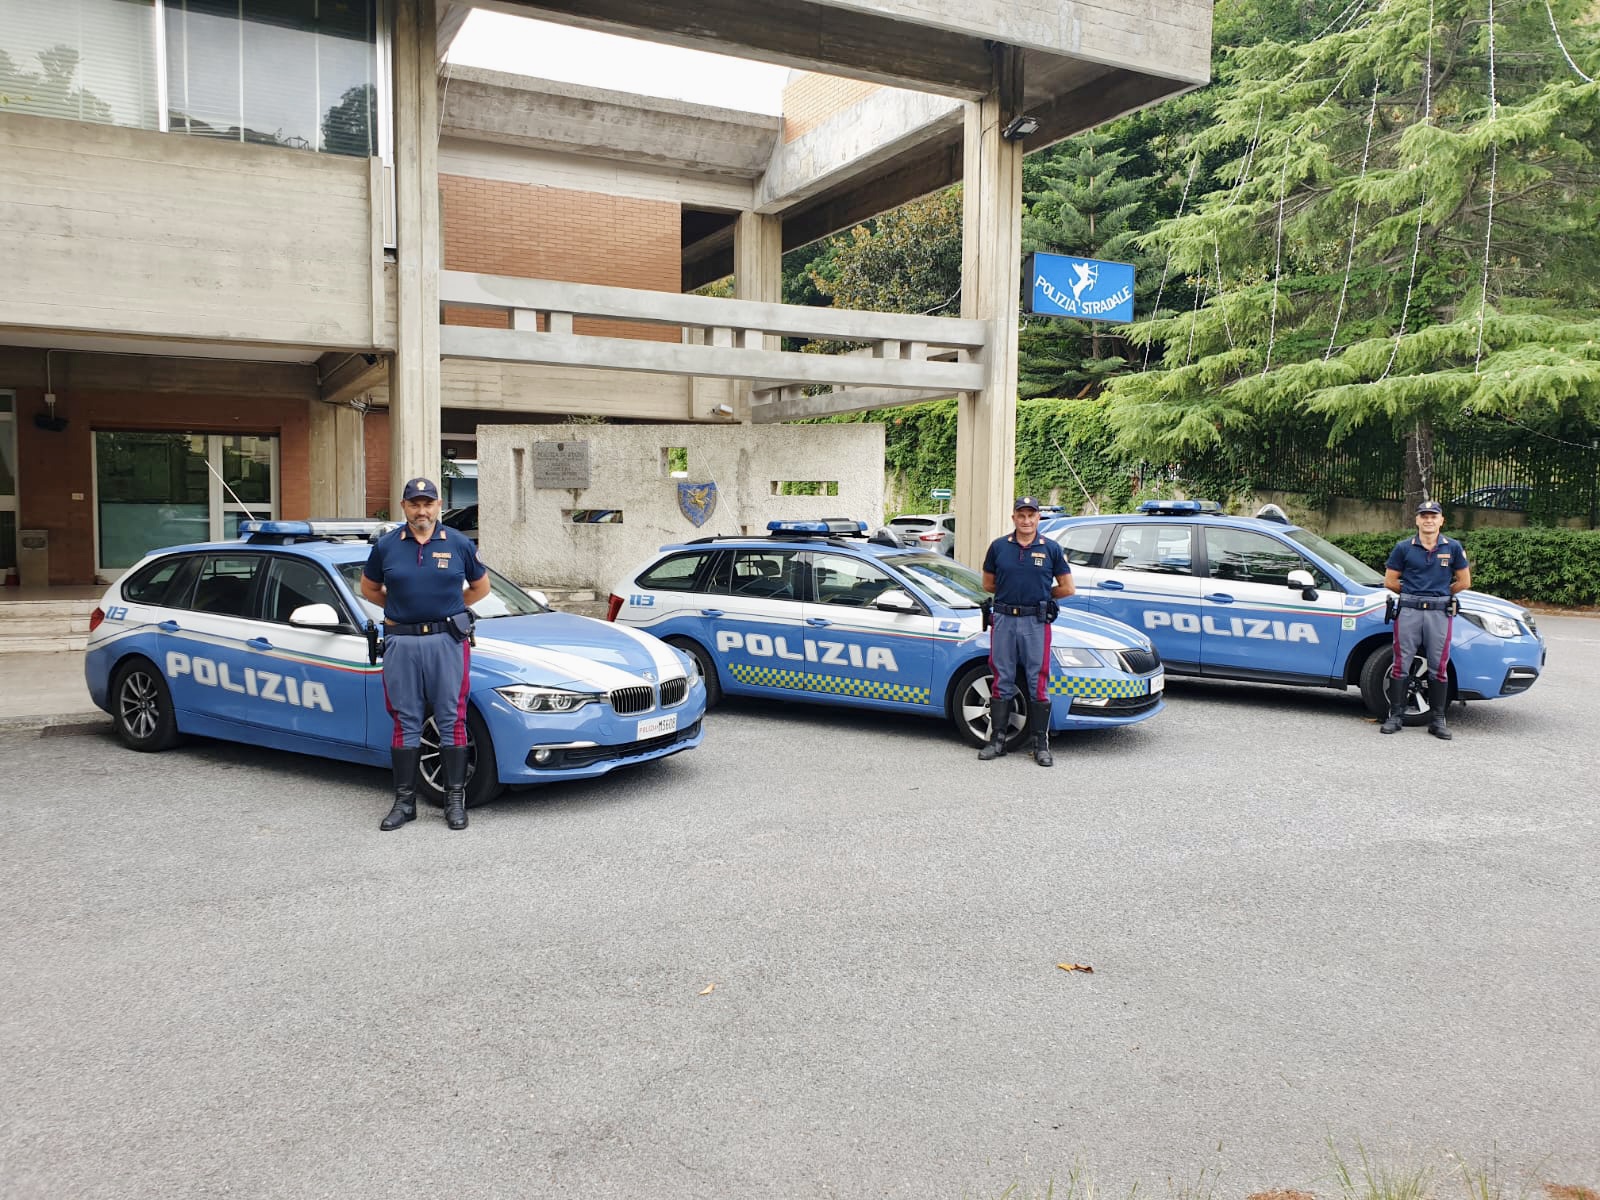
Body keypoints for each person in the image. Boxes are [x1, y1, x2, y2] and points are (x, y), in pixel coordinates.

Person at [361, 477, 490, 830]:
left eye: (428, 503)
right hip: (401, 642)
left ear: (438, 507)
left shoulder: (460, 544)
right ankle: (405, 803)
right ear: (404, 507)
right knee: (406, 719)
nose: (422, 510)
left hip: (447, 641)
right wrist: (400, 608)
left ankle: (453, 802)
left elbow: (481, 587)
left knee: (451, 717)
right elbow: (369, 587)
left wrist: (450, 610)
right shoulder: (387, 546)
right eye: (415, 503)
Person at [979, 496, 1075, 766]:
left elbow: (1068, 588)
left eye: (1031, 515)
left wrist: (1043, 597)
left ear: (1038, 518)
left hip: (1036, 622)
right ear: (1014, 518)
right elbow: (988, 584)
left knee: (1038, 681)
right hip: (1005, 620)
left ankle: (1040, 745)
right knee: (1002, 676)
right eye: (1021, 515)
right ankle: (997, 740)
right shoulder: (999, 547)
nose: (1026, 520)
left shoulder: (1051, 549)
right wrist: (1013, 597)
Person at [1381, 500, 1471, 739]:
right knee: (1402, 662)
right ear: (1417, 520)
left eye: (1434, 516)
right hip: (1409, 610)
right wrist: (1412, 594)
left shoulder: (1452, 547)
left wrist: (1442, 594)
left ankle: (1438, 719)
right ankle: (1395, 715)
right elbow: (1390, 581)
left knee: (1438, 665)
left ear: (1441, 520)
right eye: (1424, 516)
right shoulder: (1403, 547)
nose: (1429, 520)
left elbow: (1464, 581)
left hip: (1439, 612)